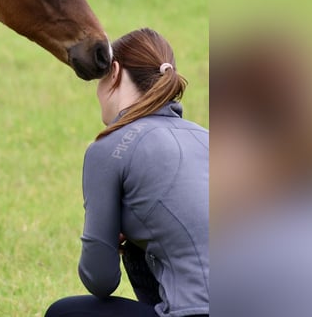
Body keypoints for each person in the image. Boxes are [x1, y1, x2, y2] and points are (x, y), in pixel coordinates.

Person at [45, 28, 209, 317]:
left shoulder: (110, 147)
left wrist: (113, 239)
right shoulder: (207, 138)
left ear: (115, 72)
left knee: (64, 313)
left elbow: (100, 279)